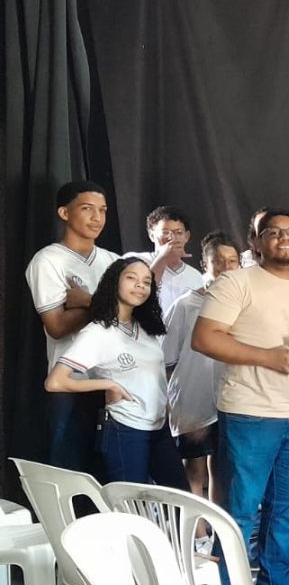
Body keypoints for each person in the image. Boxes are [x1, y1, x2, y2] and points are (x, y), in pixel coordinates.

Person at [192, 208, 289, 585]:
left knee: (288, 507)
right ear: (255, 241)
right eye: (274, 232)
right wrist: (268, 357)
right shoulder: (236, 283)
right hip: (249, 413)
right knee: (240, 509)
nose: (285, 238)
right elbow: (204, 338)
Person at [46, 258, 186, 489]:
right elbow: (55, 382)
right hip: (126, 428)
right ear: (114, 282)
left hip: (159, 426)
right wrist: (108, 385)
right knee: (130, 501)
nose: (140, 285)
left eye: (146, 282)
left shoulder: (146, 327)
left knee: (179, 495)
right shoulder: (98, 332)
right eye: (131, 278)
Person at [26, 179, 120, 472]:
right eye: (87, 209)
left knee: (112, 474)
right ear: (64, 213)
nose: (97, 218)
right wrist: (108, 305)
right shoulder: (48, 260)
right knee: (70, 471)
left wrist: (87, 302)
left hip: (115, 379)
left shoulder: (114, 261)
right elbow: (56, 325)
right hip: (72, 383)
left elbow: (131, 316)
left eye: (103, 210)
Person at [163, 232, 241, 498]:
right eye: (218, 260)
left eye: (232, 261)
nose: (225, 267)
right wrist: (175, 405)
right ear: (204, 264)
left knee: (221, 468)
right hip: (193, 400)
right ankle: (195, 524)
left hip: (229, 398)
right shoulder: (186, 305)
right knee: (194, 470)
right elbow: (167, 360)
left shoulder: (244, 304)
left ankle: (217, 521)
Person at [136, 205, 205, 316]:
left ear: (187, 236)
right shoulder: (136, 262)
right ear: (151, 235)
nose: (172, 238)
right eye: (165, 232)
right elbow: (140, 294)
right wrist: (162, 257)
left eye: (178, 232)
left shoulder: (196, 276)